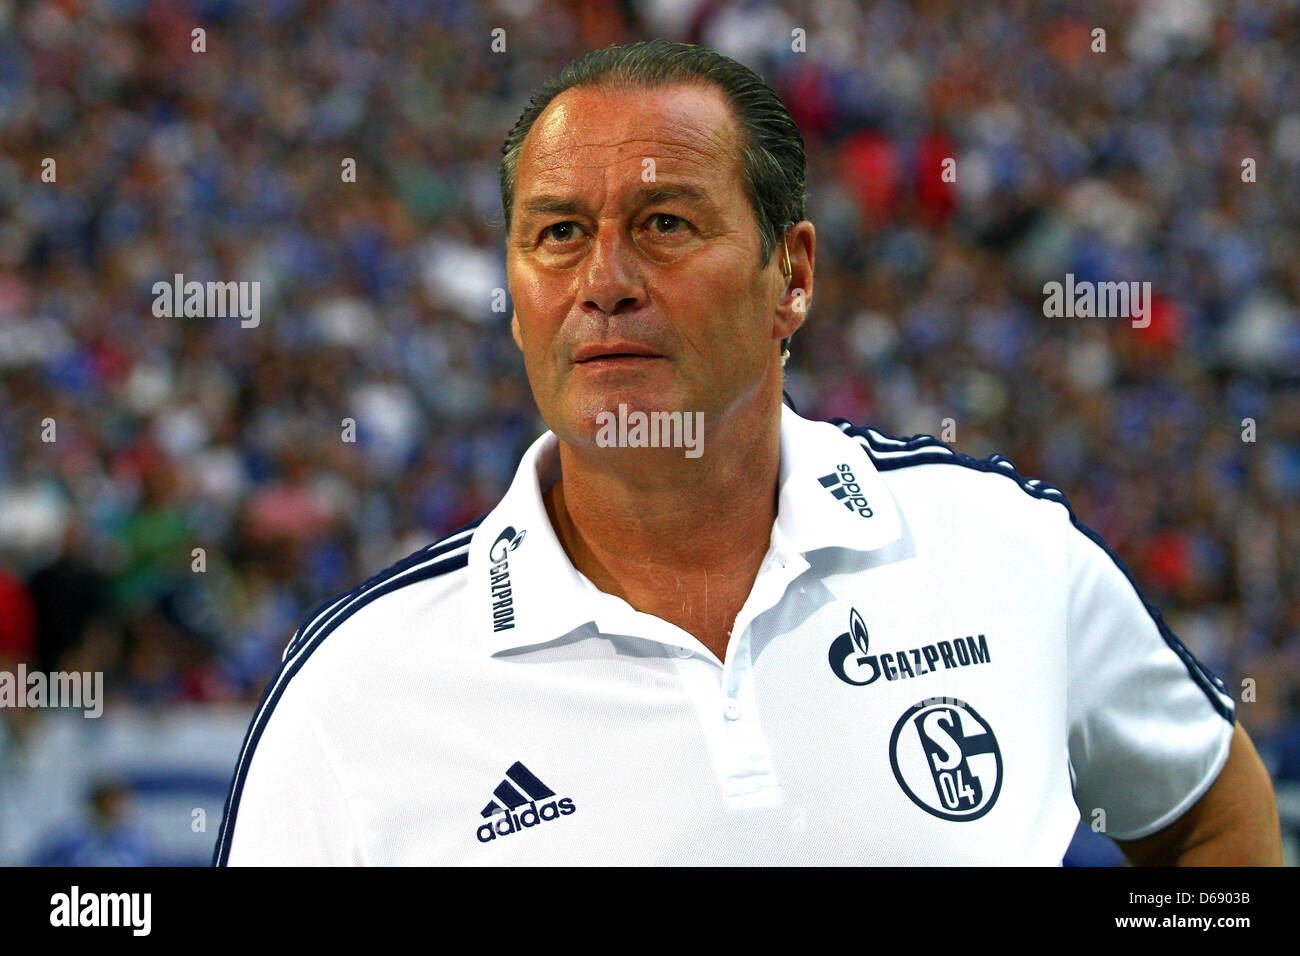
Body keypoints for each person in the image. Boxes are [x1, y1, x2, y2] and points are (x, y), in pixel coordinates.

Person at [215, 39, 1281, 865]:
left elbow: (1208, 815)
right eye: (556, 234)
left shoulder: (1001, 549)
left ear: (792, 275)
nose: (605, 279)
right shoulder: (353, 693)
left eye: (666, 222)